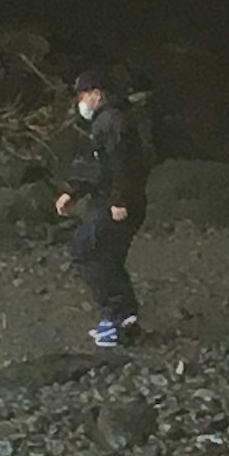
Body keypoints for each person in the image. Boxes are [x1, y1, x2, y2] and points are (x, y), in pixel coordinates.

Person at [53, 57, 149, 349]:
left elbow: (125, 164)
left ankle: (119, 317)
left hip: (115, 202)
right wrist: (73, 190)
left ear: (97, 93)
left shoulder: (112, 120)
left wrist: (120, 200)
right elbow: (97, 166)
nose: (80, 102)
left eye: (83, 95)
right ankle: (124, 319)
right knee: (106, 257)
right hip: (110, 200)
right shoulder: (109, 120)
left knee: (86, 251)